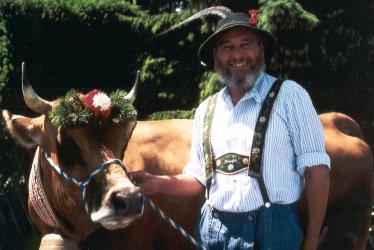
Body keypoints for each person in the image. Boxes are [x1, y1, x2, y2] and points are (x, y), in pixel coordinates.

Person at [132, 11, 330, 250]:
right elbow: (198, 179)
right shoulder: (206, 110)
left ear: (261, 49)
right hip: (215, 231)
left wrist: (310, 242)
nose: (237, 55)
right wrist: (159, 182)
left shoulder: (290, 96)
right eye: (227, 47)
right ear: (216, 55)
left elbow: (316, 171)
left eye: (245, 44)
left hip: (274, 232)